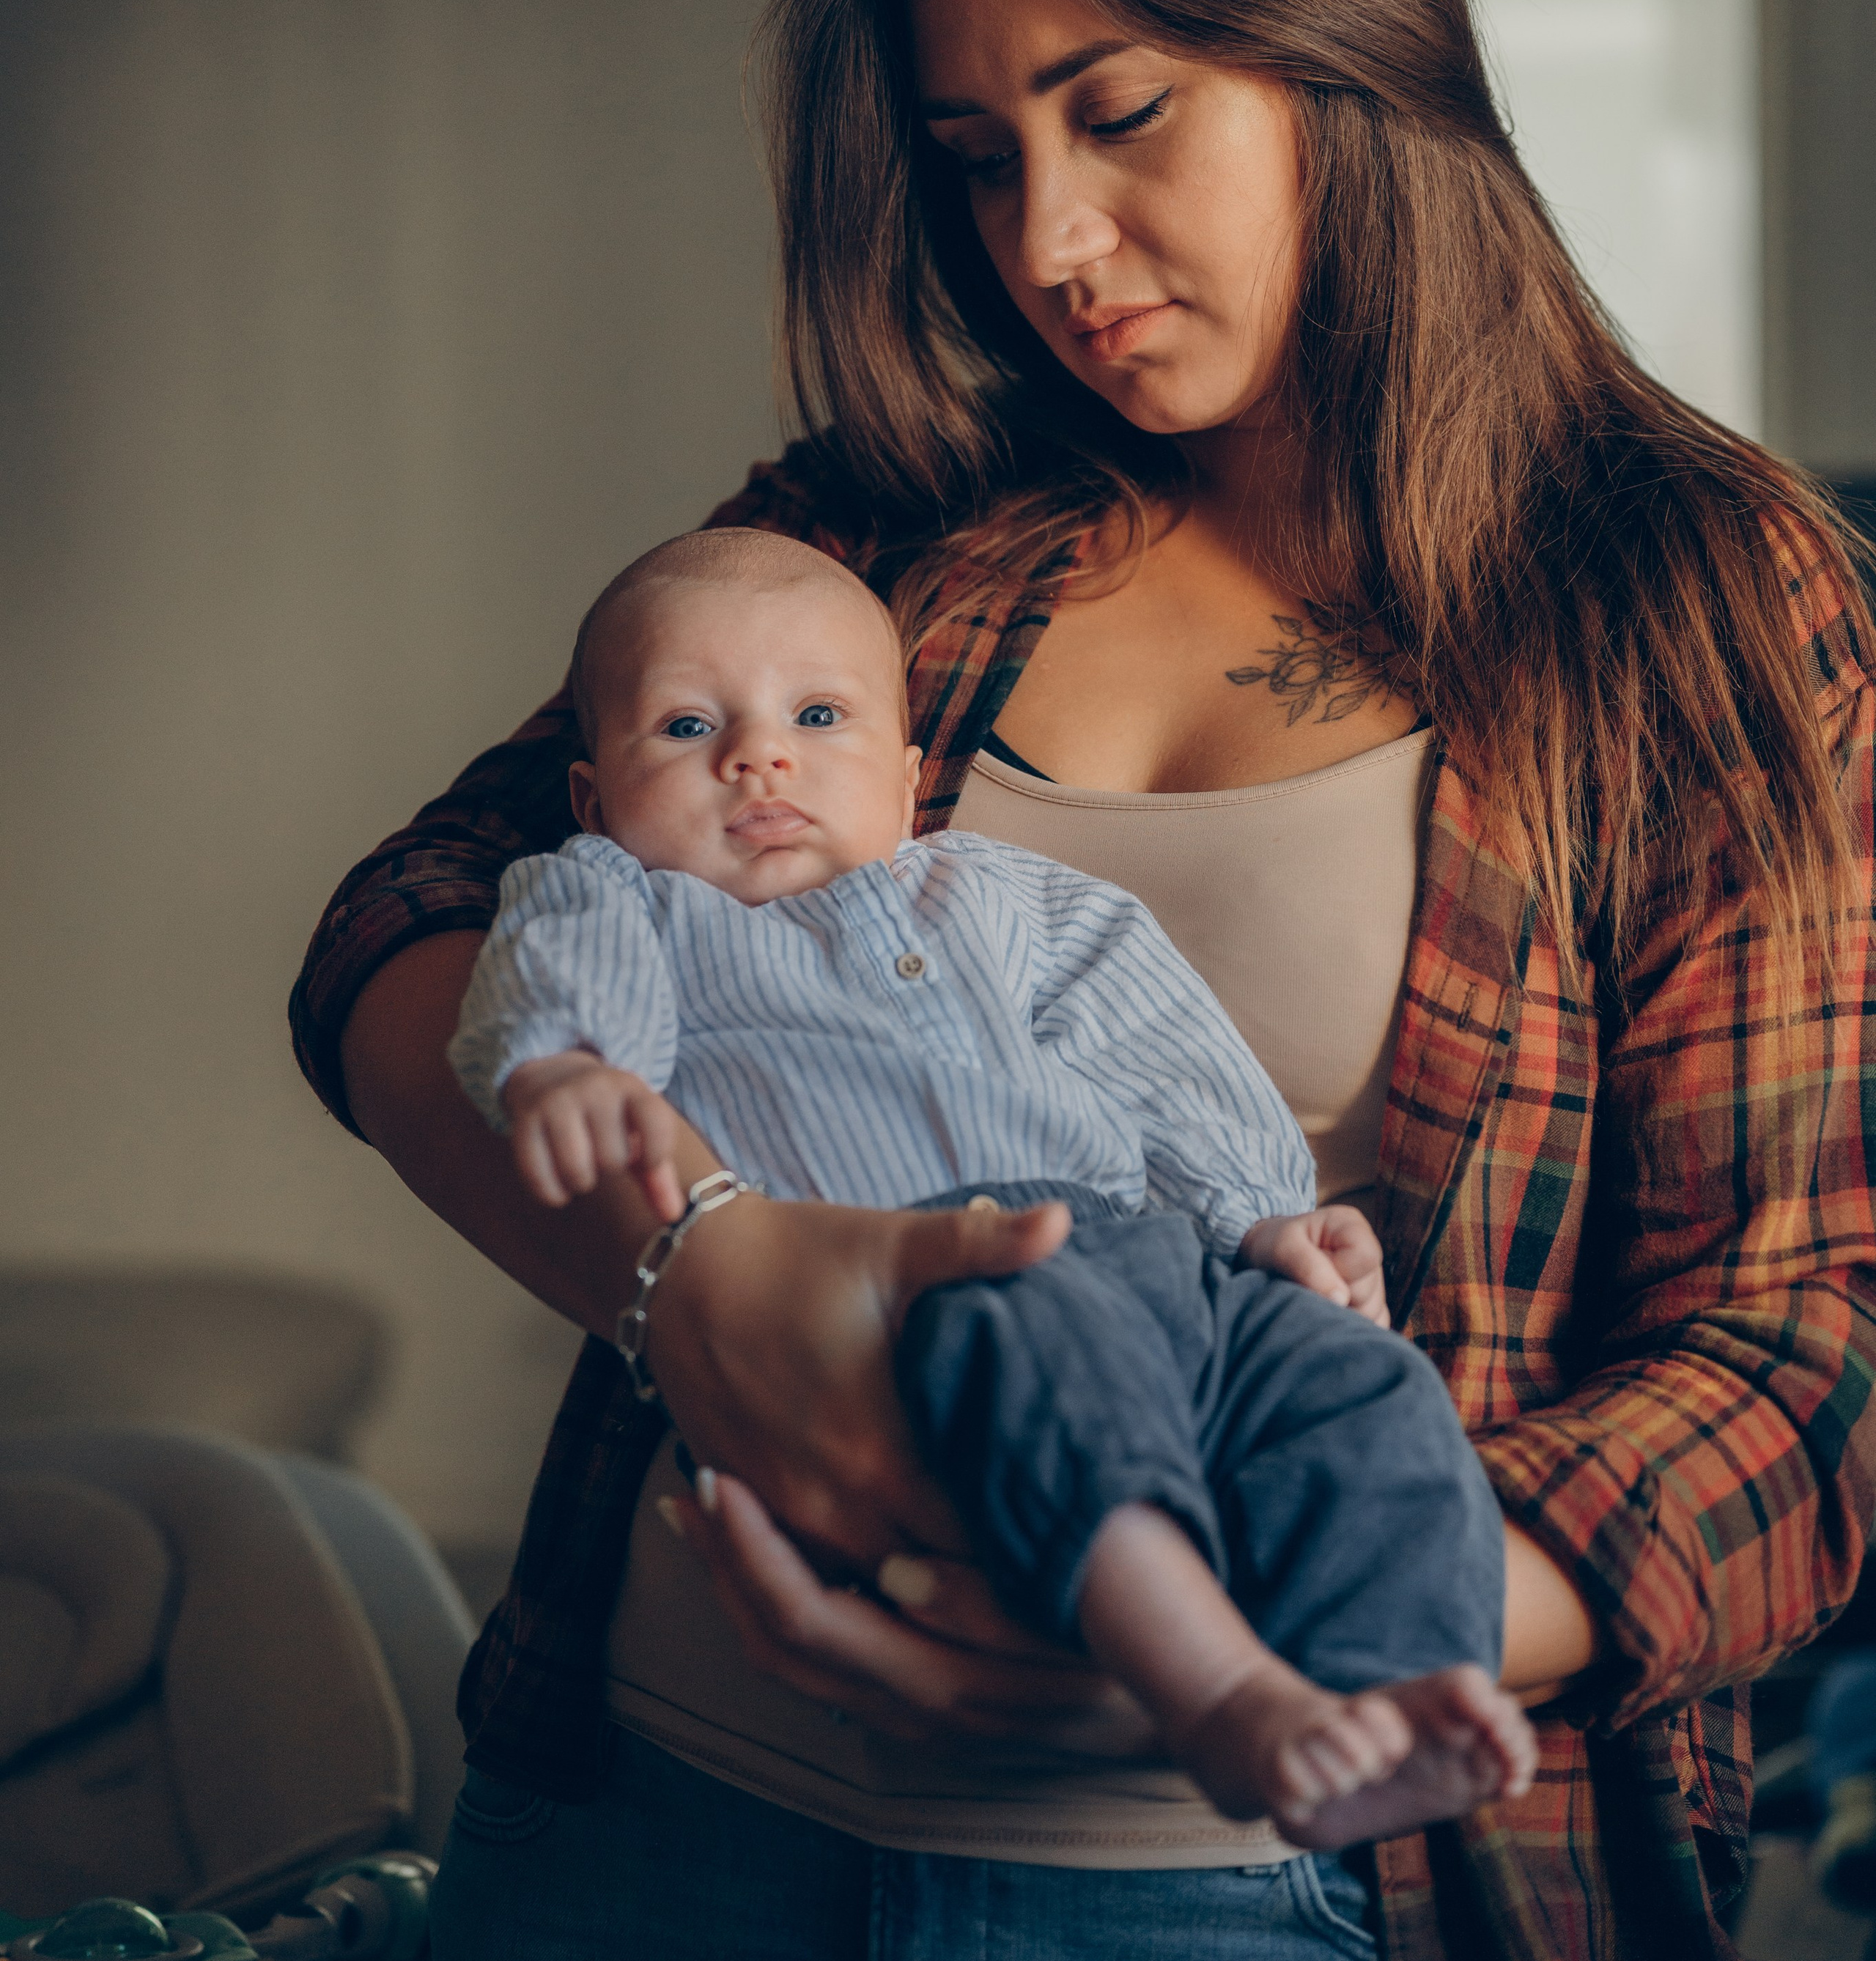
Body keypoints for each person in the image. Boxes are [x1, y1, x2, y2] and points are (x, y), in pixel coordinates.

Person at [293, 0, 1876, 1961]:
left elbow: (1814, 1347)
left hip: (1267, 1918)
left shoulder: (1702, 587)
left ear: (1352, 42)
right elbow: (404, 921)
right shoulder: (888, 525)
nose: (1048, 240)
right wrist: (693, 1275)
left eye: (1121, 110)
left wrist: (1291, 1607)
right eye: (970, 150)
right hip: (644, 1843)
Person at [447, 525, 1535, 1846]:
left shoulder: (993, 895)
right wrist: (564, 1068)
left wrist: (1261, 1216)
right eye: (686, 726)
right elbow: (553, 966)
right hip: (921, 1285)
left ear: (909, 781)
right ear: (593, 795)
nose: (758, 756)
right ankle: (1228, 1694)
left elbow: (1155, 1044)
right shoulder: (624, 896)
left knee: (1361, 1382)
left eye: (818, 715)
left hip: (1142, 1251)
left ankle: (1400, 1678)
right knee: (1072, 1402)